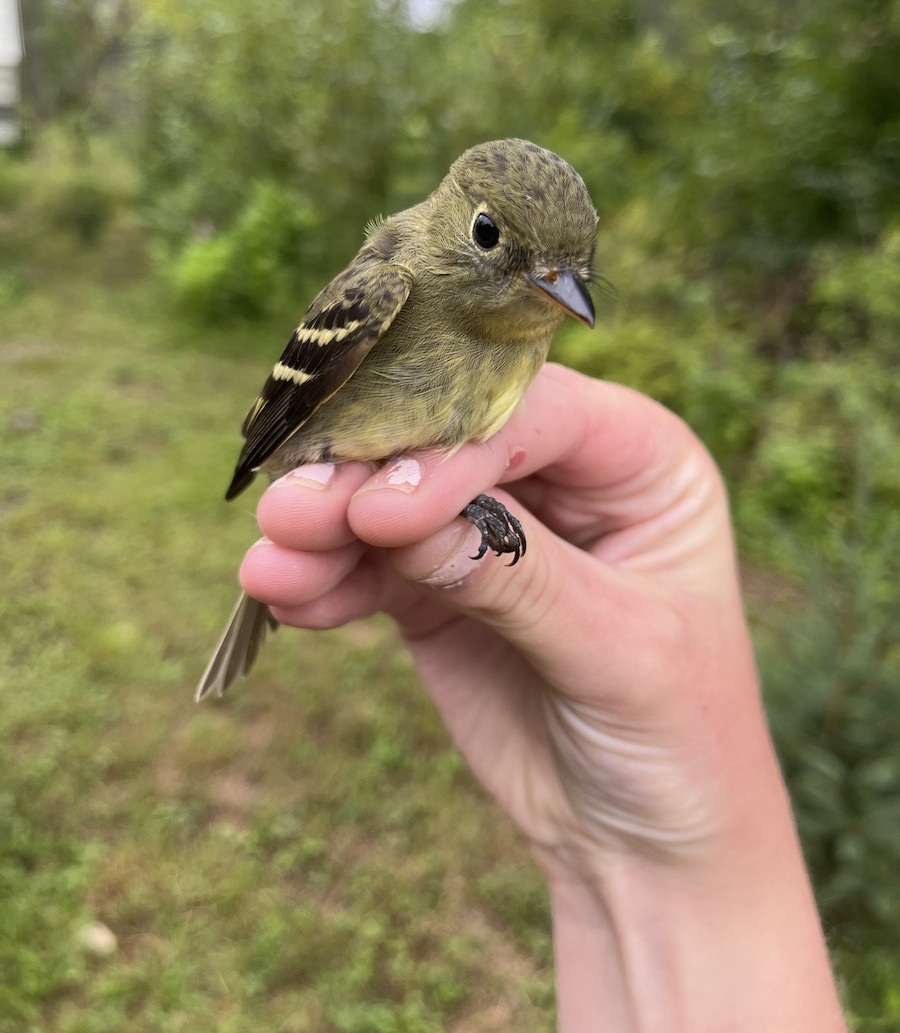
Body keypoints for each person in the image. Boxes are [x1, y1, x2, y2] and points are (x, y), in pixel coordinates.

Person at [235, 363, 847, 1032]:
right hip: (326, 467)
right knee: (385, 505)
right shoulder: (388, 308)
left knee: (414, 498)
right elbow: (296, 401)